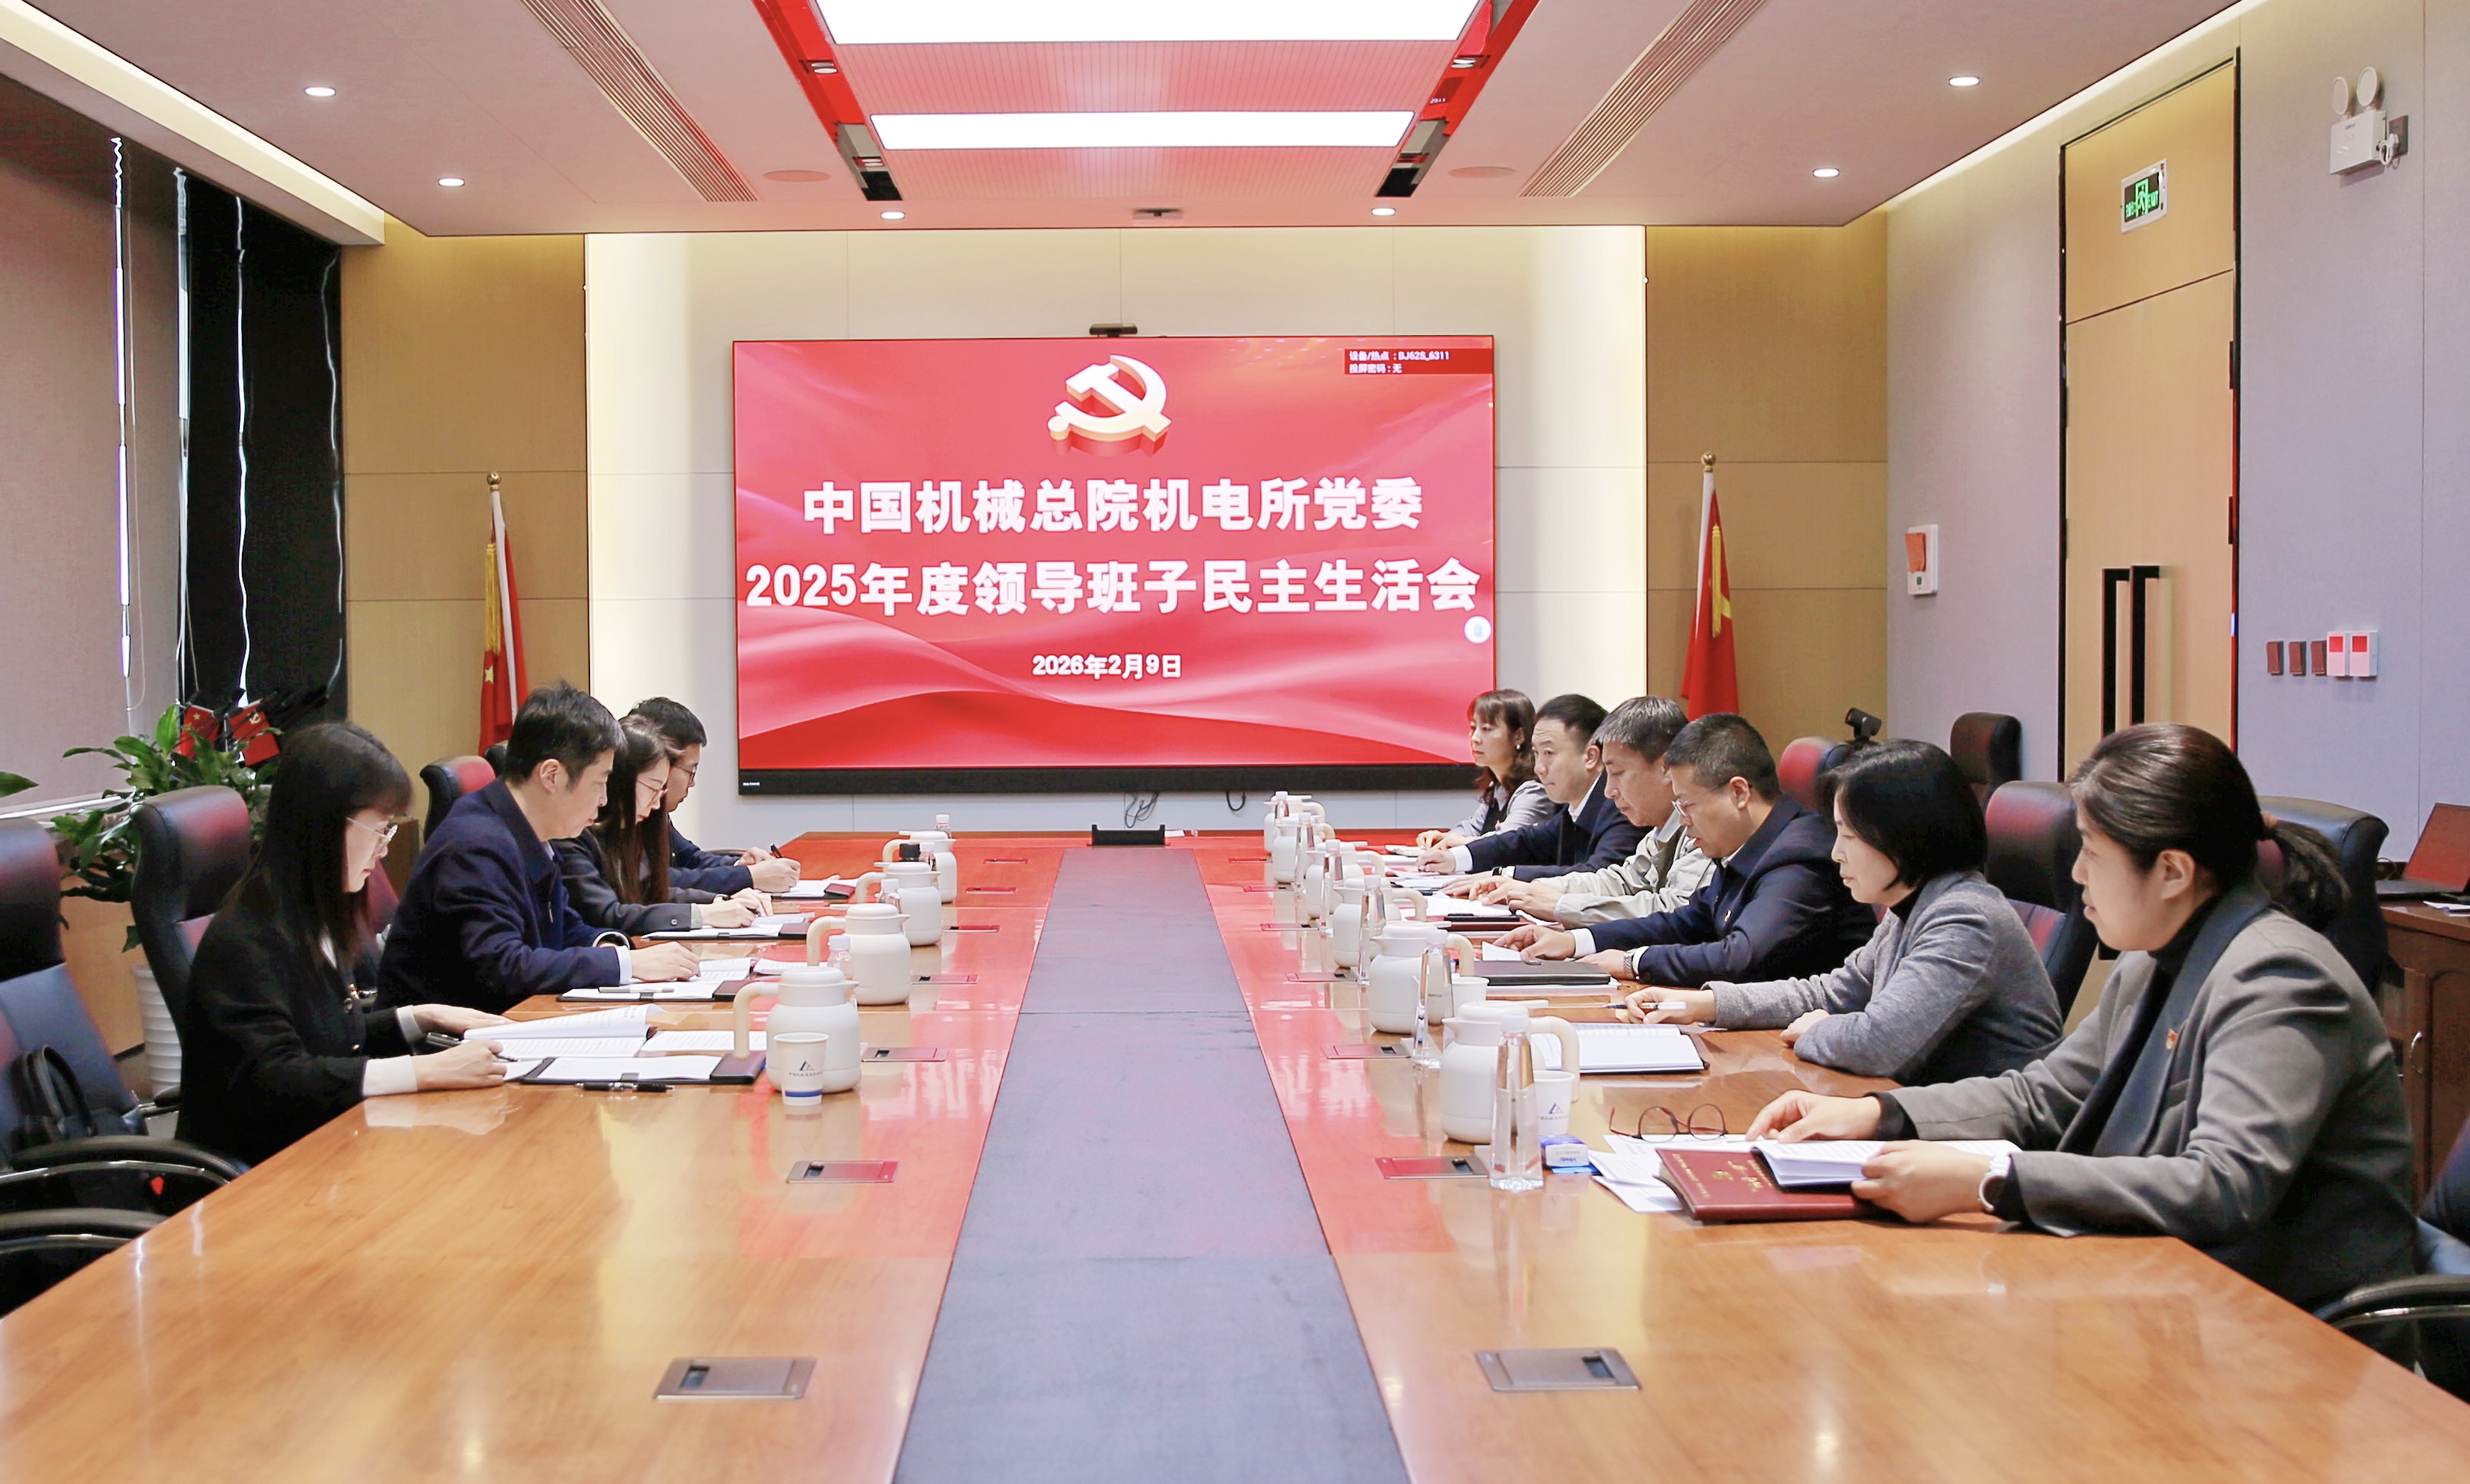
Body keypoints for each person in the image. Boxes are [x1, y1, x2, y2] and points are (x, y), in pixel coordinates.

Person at [1747, 723, 2417, 1315]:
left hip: (2288, 1326)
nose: (2075, 873)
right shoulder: (2153, 960)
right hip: (2164, 1289)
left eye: (2091, 851)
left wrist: (1990, 1183)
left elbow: (2221, 1184)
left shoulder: (2279, 976)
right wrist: (1877, 1115)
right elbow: (2042, 1095)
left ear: (2173, 872)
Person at [1627, 740, 2062, 1083]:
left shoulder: (1964, 919)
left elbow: (1880, 1043)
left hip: (1978, 1146)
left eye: (1849, 836)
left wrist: (1820, 1030)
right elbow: (1832, 993)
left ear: (1904, 837)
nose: (1836, 853)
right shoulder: (1913, 907)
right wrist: (1706, 1004)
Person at [179, 722, 515, 1164]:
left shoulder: (310, 911)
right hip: (259, 1172)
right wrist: (423, 1070)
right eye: (379, 831)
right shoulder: (247, 938)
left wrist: (420, 1017)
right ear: (324, 826)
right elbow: (274, 1078)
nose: (383, 850)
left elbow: (329, 1037)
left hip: (328, 1143)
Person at [378, 683, 700, 1012]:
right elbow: (504, 965)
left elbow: (564, 926)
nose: (605, 799)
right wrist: (625, 965)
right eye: (600, 782)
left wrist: (617, 950)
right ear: (551, 776)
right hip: (452, 1037)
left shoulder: (527, 830)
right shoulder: (475, 845)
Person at [1497, 713, 1873, 985]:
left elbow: (1741, 956)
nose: (1683, 819)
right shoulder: (1749, 844)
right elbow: (1686, 921)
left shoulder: (1798, 856)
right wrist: (1575, 941)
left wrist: (1633, 962)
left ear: (1739, 793)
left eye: (1687, 804)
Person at [1471, 696, 1712, 924]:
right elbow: (1623, 881)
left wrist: (1563, 906)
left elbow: (1679, 910)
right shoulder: (1660, 829)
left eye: (1617, 773)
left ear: (1666, 767)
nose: (1609, 791)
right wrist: (1534, 889)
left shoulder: (1705, 827)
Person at [555, 720, 772, 936]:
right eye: (653, 788)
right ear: (621, 782)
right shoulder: (574, 833)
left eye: (661, 791)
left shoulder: (625, 829)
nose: (657, 805)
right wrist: (703, 914)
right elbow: (607, 914)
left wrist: (718, 901)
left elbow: (649, 889)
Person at [1417, 693, 1641, 882]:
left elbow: (1597, 875)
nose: (1539, 768)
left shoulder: (1620, 806)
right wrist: (1456, 858)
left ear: (1590, 757)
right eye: (1536, 753)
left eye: (1549, 753)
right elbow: (1526, 841)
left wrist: (1503, 875)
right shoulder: (1574, 808)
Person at [627, 697, 800, 895]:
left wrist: (740, 865)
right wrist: (748, 876)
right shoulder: (618, 815)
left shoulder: (655, 811)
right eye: (690, 772)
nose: (692, 784)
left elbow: (691, 858)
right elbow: (654, 882)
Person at [1417, 689, 1553, 847]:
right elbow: (1473, 828)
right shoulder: (1499, 787)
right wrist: (1443, 837)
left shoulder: (1534, 791)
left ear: (1518, 736)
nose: (1475, 739)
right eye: (1473, 728)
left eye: (1487, 729)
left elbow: (1507, 842)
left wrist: (1462, 842)